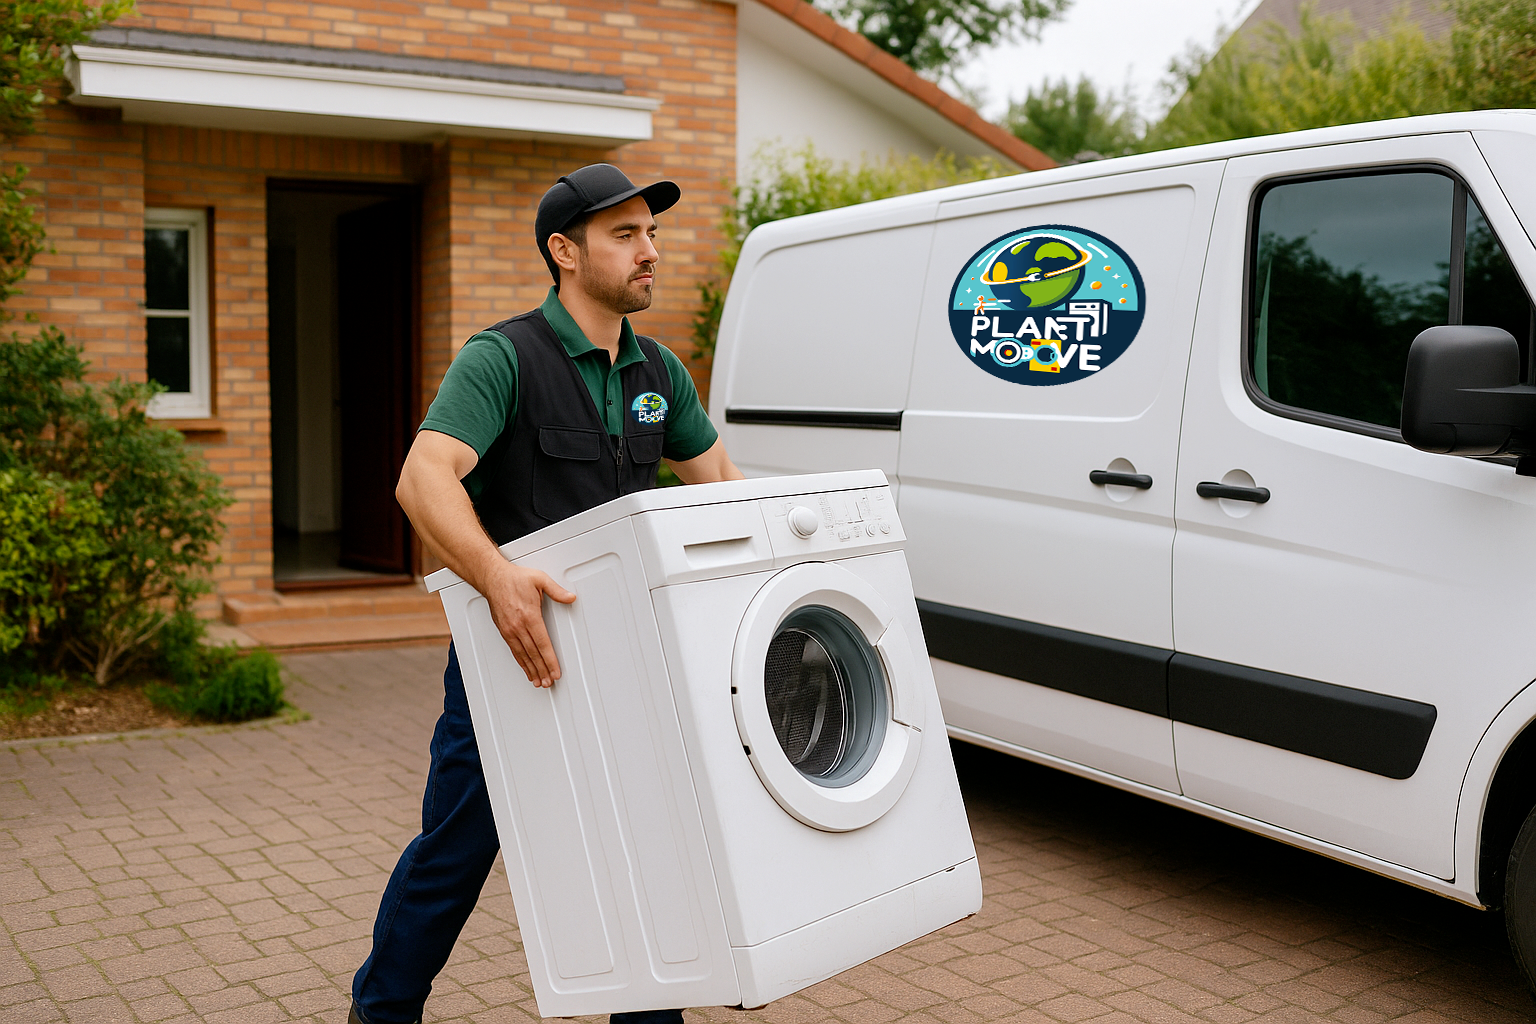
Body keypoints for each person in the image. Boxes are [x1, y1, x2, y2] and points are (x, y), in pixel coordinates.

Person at [349, 163, 744, 1024]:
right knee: (458, 847)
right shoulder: (505, 358)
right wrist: (497, 579)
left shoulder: (659, 374)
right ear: (564, 252)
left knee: (645, 851)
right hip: (514, 656)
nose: (650, 251)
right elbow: (424, 480)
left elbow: (720, 489)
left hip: (628, 661)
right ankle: (381, 1012)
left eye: (652, 234)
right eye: (625, 235)